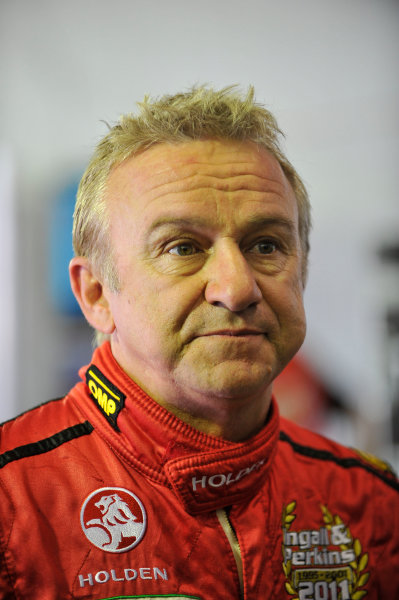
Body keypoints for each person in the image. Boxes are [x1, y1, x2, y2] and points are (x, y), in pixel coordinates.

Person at [0, 86, 398, 599]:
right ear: (96, 293)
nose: (236, 288)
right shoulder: (13, 500)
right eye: (182, 247)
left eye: (266, 245)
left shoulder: (371, 503)